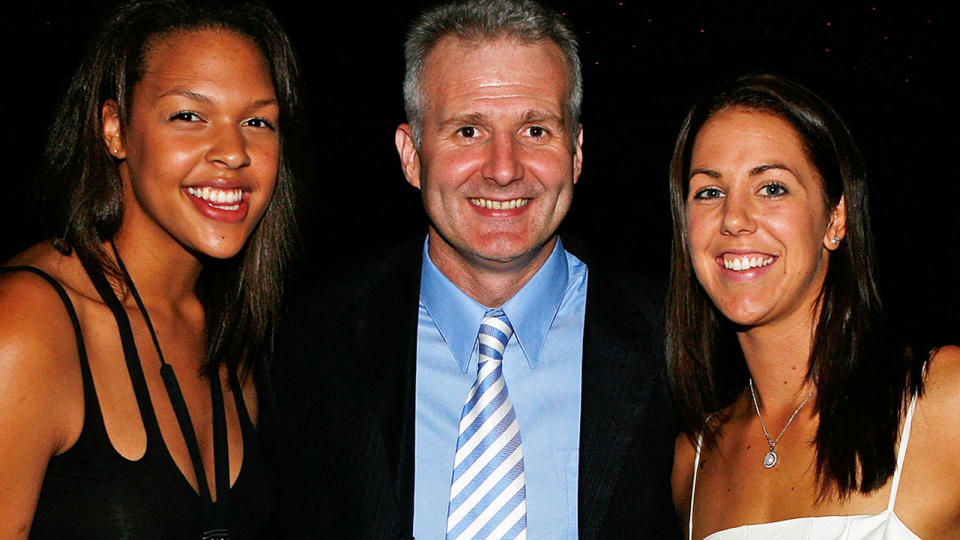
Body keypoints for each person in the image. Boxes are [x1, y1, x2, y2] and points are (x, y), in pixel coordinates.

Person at [268, 0, 678, 538]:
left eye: (535, 131)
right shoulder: (310, 343)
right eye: (468, 131)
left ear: (576, 152)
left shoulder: (675, 342)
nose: (504, 169)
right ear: (411, 154)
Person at [0, 0, 308, 537]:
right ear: (114, 128)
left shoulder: (234, 328)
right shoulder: (27, 325)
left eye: (258, 120)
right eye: (189, 116)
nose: (234, 152)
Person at [667, 73, 960, 539]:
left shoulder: (942, 401)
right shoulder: (694, 460)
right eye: (709, 192)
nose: (734, 219)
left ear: (835, 217)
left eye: (772, 188)